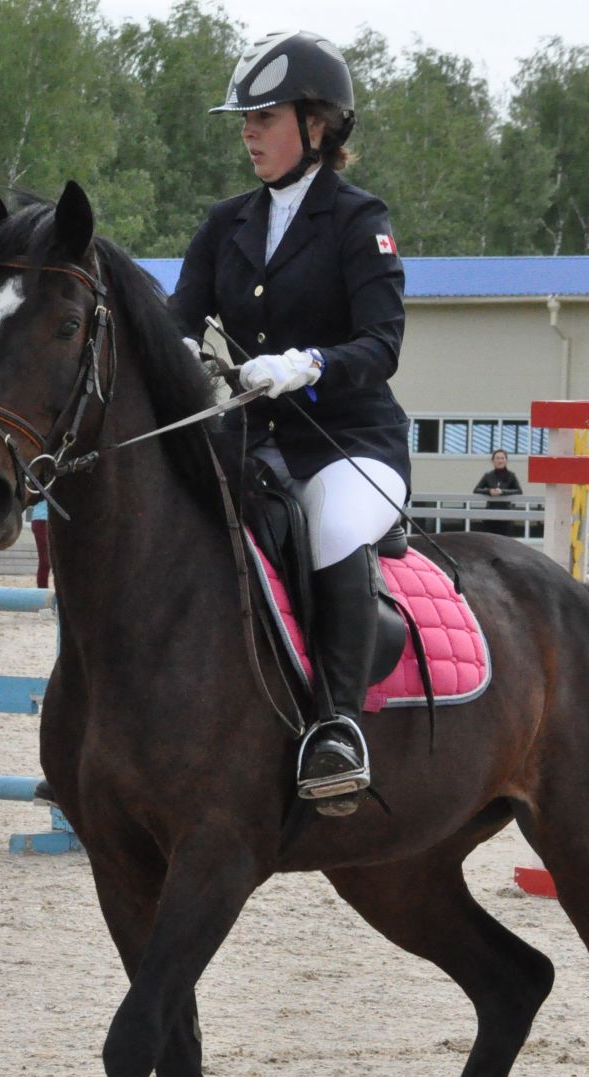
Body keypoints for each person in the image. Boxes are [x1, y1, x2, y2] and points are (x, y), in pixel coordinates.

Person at [169, 29, 409, 816]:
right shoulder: (225, 223)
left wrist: (308, 364)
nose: (247, 133)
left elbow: (383, 343)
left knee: (332, 523)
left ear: (318, 125)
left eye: (263, 117)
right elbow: (179, 320)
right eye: (243, 120)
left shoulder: (357, 219)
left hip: (352, 442)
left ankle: (337, 728)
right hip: (254, 438)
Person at [472, 448, 523, 535]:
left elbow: (519, 491)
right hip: (490, 513)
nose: (500, 460)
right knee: (489, 540)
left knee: (504, 541)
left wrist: (503, 492)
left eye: (502, 458)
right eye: (497, 458)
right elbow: (476, 490)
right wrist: (489, 491)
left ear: (506, 460)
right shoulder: (488, 475)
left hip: (506, 513)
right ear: (493, 461)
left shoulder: (511, 476)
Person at [27, 497, 51, 589]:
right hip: (42, 520)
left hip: (40, 520)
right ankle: (43, 590)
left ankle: (42, 589)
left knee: (45, 562)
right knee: (46, 561)